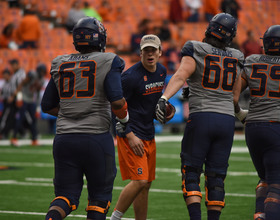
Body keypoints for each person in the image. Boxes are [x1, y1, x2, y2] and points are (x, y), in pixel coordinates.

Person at [155, 13, 244, 220]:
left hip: (202, 117)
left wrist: (164, 97)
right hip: (226, 121)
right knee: (216, 177)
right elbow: (234, 98)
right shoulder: (237, 56)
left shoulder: (196, 48)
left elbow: (181, 75)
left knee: (192, 172)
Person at [41, 17, 129, 220]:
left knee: (65, 197)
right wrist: (124, 122)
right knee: (99, 199)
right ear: (100, 38)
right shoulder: (109, 60)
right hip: (96, 138)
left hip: (64, 139)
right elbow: (117, 101)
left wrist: (71, 112)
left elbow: (47, 105)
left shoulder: (60, 62)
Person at [110, 34, 167, 220]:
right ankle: (114, 218)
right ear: (140, 53)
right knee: (140, 180)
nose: (150, 54)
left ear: (160, 52)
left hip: (148, 133)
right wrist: (129, 134)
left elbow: (150, 104)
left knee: (146, 184)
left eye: (153, 50)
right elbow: (116, 108)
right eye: (146, 50)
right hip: (132, 133)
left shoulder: (162, 72)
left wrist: (166, 111)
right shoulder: (130, 77)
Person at [234, 25, 280, 220]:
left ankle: (260, 214)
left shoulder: (251, 61)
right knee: (277, 184)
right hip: (276, 126)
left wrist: (241, 115)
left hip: (253, 127)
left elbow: (232, 97)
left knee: (264, 179)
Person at [11, 63, 47, 146]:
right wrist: (18, 96)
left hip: (31, 99)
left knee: (33, 119)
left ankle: (34, 139)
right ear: (38, 70)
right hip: (23, 97)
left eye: (43, 71)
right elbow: (22, 83)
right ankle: (14, 138)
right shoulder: (32, 74)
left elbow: (37, 93)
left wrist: (38, 107)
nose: (42, 73)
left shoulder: (42, 80)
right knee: (20, 118)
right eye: (41, 71)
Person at [8, 59, 26, 146]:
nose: (12, 67)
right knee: (17, 116)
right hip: (16, 97)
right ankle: (21, 133)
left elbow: (21, 86)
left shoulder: (21, 74)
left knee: (19, 116)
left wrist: (16, 98)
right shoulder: (15, 74)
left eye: (13, 65)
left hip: (19, 98)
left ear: (17, 64)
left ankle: (17, 135)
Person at [0, 68, 15, 139]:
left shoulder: (12, 83)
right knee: (5, 118)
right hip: (5, 102)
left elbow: (14, 92)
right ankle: (3, 133)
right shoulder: (4, 83)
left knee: (6, 118)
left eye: (6, 75)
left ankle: (3, 133)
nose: (5, 77)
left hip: (11, 103)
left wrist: (11, 97)